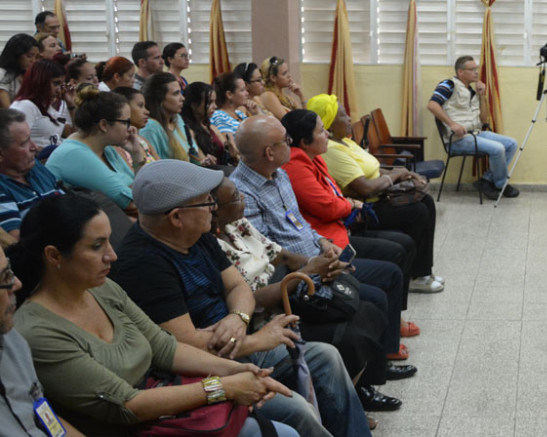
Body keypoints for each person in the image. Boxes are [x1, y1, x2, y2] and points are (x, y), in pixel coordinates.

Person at [110, 160, 372, 437]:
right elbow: (184, 346)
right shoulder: (144, 266)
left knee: (327, 358)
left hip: (236, 343)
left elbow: (238, 287)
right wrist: (256, 341)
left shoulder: (195, 235)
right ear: (176, 217)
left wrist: (238, 318)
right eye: (206, 201)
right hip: (200, 371)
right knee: (297, 410)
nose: (213, 207)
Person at [11, 194, 298, 437]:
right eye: (97, 246)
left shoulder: (103, 288)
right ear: (54, 256)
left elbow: (164, 347)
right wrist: (224, 387)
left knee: (292, 413)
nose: (112, 255)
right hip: (142, 424)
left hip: (174, 405)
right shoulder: (38, 332)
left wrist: (234, 371)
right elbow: (127, 405)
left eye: (109, 242)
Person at [210, 177, 405, 412]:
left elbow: (280, 254)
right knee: (353, 336)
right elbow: (252, 300)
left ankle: (357, 391)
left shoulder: (238, 225)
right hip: (266, 317)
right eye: (235, 198)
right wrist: (306, 272)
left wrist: (316, 262)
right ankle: (341, 403)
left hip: (289, 291)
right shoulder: (211, 247)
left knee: (368, 309)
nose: (242, 198)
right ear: (214, 209)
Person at [232, 115, 414, 362]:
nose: (290, 143)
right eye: (285, 140)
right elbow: (268, 253)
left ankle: (384, 353)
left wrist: (323, 243)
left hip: (318, 257)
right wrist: (312, 265)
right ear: (269, 153)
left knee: (389, 273)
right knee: (374, 298)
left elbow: (300, 223)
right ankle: (379, 361)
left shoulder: (278, 174)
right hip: (296, 275)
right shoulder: (242, 194)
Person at [310, 93, 444, 294]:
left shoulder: (346, 142)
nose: (349, 119)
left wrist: (402, 173)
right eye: (343, 115)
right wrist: (394, 176)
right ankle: (416, 275)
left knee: (426, 202)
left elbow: (373, 168)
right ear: (329, 124)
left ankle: (422, 272)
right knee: (418, 212)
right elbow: (365, 187)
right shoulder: (332, 150)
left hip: (380, 195)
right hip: (366, 206)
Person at [0, 248, 85, 436]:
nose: (17, 284)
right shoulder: (29, 330)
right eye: (4, 278)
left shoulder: (13, 342)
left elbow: (45, 417)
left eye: (10, 272)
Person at [427, 55, 519, 199]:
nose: (476, 72)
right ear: (460, 72)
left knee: (511, 144)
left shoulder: (472, 91)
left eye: (476, 69)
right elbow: (432, 105)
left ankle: (486, 180)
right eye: (472, 69)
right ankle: (500, 184)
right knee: (498, 148)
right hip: (457, 139)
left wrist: (482, 96)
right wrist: (452, 124)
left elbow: (483, 119)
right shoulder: (448, 85)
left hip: (475, 133)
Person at [45, 86, 142, 214]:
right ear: (104, 125)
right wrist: (132, 190)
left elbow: (140, 189)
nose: (130, 128)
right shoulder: (74, 154)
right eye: (126, 122)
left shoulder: (106, 147)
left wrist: (136, 154)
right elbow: (131, 202)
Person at [0, 109, 64, 240]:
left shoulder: (34, 167)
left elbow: (68, 203)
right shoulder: (3, 187)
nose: (34, 147)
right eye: (25, 143)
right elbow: (16, 241)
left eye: (31, 138)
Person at [139, 72, 202, 163]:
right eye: (176, 94)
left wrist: (203, 161)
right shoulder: (151, 128)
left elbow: (192, 154)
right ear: (159, 99)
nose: (182, 98)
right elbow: (152, 167)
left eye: (180, 93)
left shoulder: (178, 119)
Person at [10, 60, 72, 148]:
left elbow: (73, 134)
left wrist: (71, 104)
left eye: (62, 85)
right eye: (56, 83)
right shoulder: (25, 106)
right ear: (40, 81)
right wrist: (48, 152)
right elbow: (16, 142)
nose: (60, 90)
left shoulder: (49, 106)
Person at [182, 81, 230, 166]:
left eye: (215, 102)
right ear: (194, 104)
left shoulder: (210, 126)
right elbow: (199, 160)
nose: (215, 106)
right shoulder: (188, 130)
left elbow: (227, 148)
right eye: (209, 102)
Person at [116, 86, 159, 169]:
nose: (147, 112)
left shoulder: (143, 141)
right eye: (140, 106)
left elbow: (161, 166)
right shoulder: (117, 147)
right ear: (125, 108)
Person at [0, 34, 41, 108]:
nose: (33, 61)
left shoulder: (30, 74)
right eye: (29, 56)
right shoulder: (2, 73)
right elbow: (7, 109)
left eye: (37, 57)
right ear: (16, 54)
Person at [212, 71, 249, 137]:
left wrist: (257, 112)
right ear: (229, 94)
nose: (247, 93)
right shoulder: (219, 116)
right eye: (242, 90)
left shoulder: (239, 114)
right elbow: (230, 141)